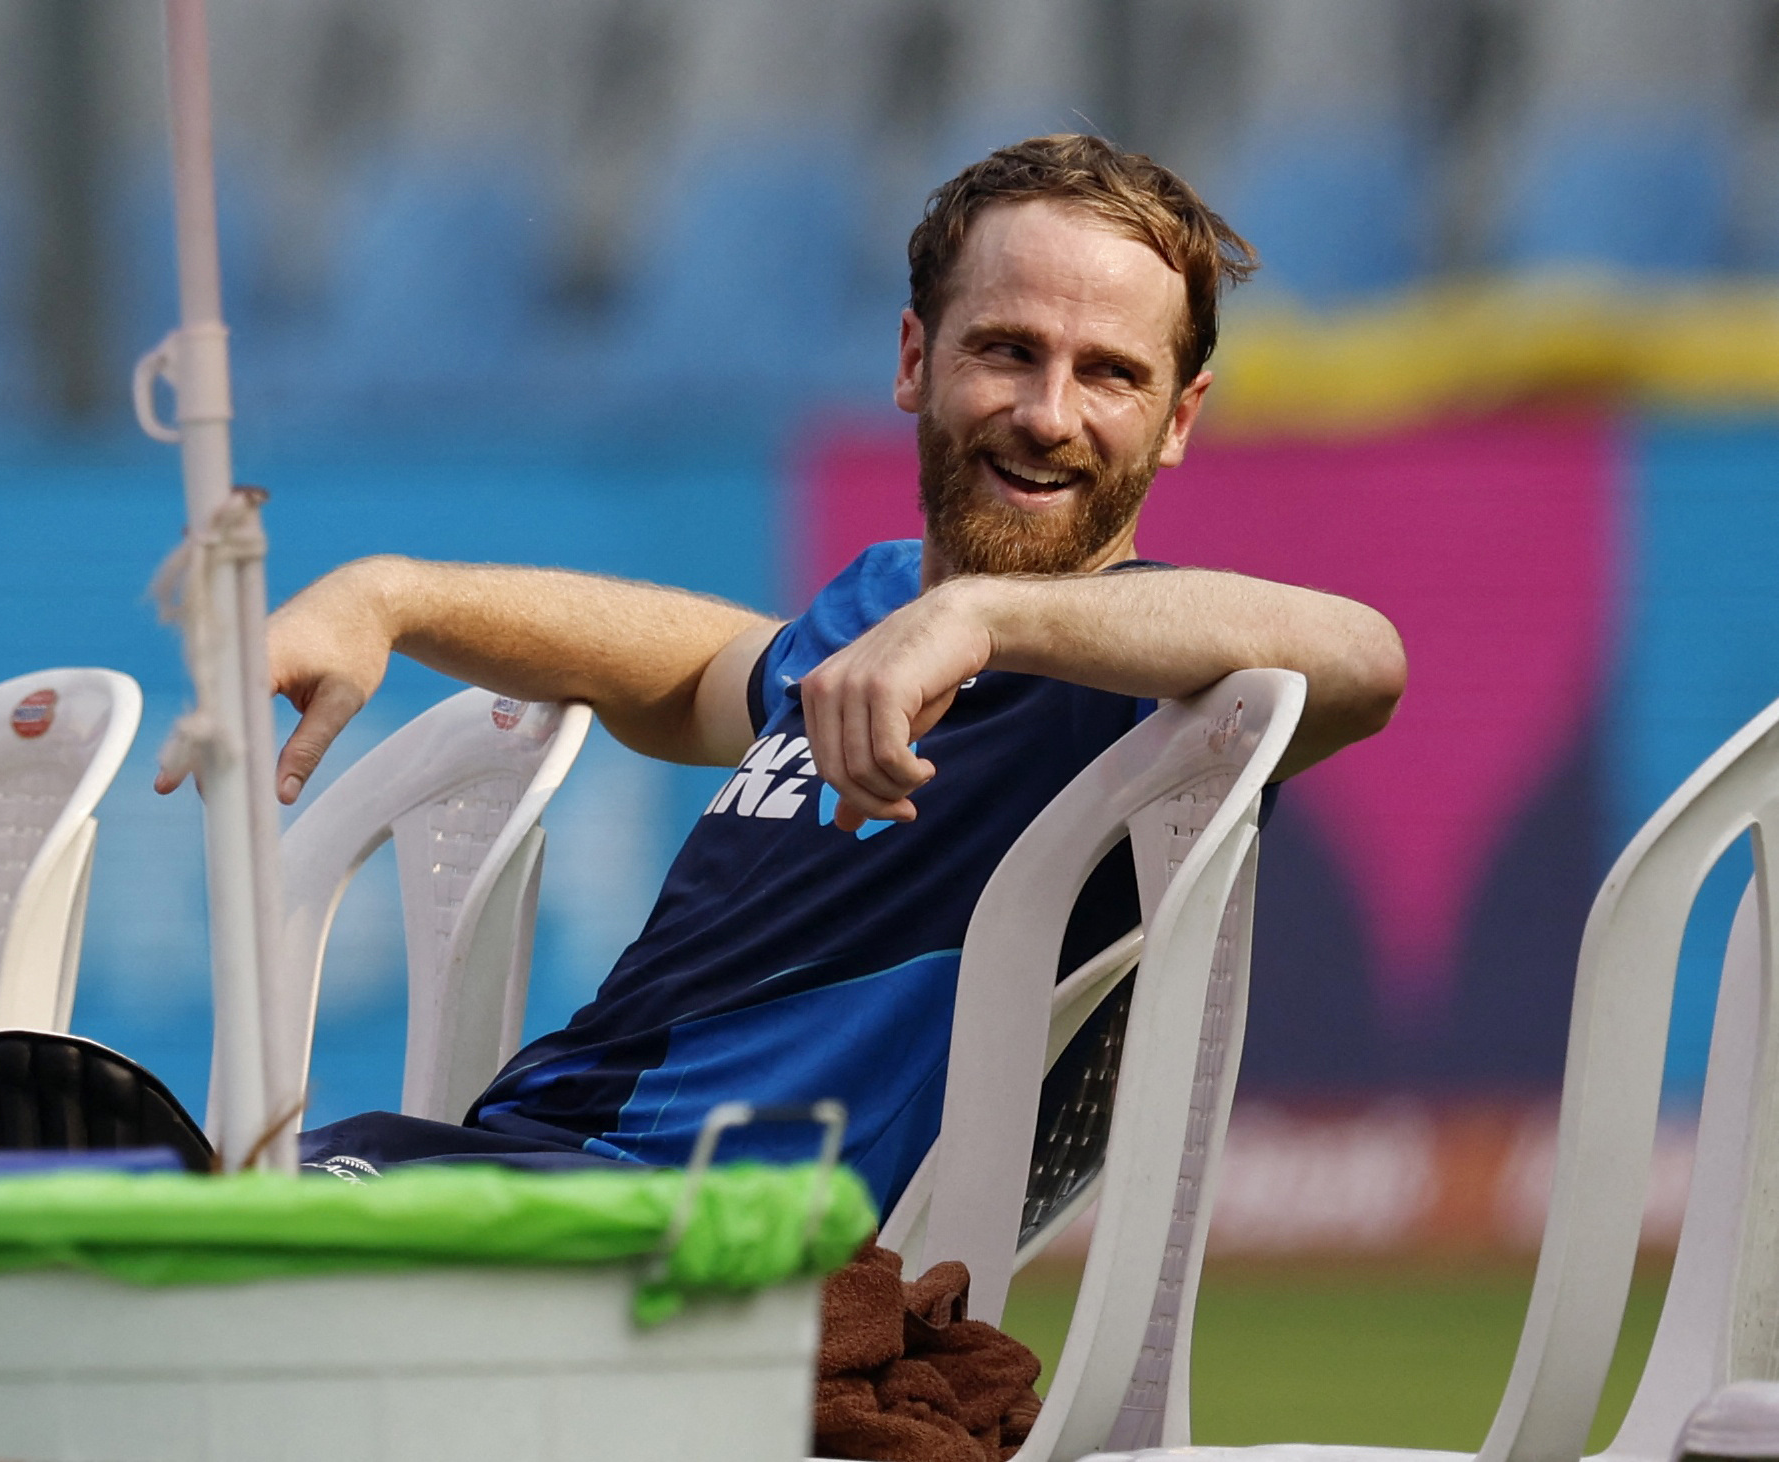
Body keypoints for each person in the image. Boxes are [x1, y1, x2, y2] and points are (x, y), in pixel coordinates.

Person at [164, 134, 1406, 1212]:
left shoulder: (1138, 686)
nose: (1047, 411)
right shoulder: (873, 612)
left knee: (138, 1252)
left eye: (1109, 375)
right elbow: (696, 672)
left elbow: (1361, 659)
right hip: (522, 1166)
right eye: (1007, 350)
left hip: (683, 1237)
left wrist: (983, 617)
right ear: (914, 359)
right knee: (59, 1182)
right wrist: (389, 596)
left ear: (1178, 419)